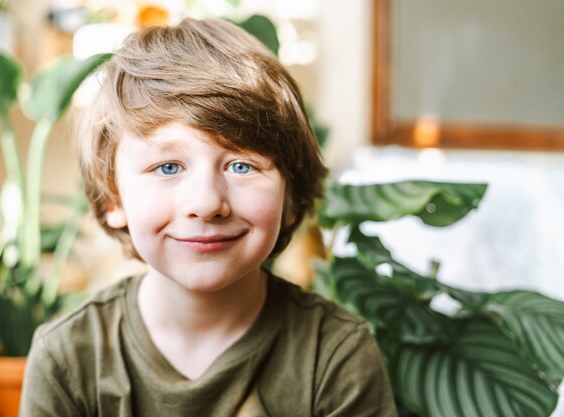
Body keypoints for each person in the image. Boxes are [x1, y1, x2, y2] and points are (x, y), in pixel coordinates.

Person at [20, 17, 397, 417]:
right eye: (168, 167)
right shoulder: (67, 357)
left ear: (289, 198)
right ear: (114, 198)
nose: (206, 202)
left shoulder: (335, 354)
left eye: (241, 166)